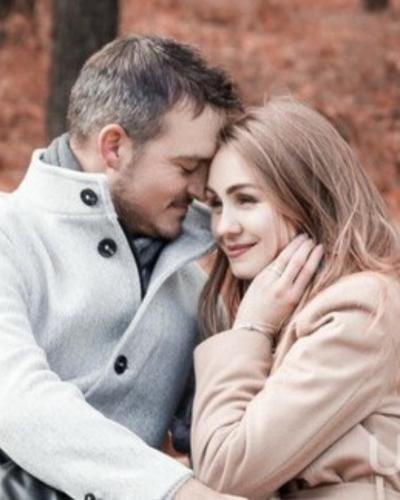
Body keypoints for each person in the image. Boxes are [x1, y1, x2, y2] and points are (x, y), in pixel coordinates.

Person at [0, 34, 250, 500]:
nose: (201, 190)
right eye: (187, 167)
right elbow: (16, 402)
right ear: (114, 147)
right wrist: (177, 493)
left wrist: (259, 323)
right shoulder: (8, 235)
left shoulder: (194, 287)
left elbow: (231, 437)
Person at [191, 96, 400, 500]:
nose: (224, 227)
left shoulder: (361, 309)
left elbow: (225, 471)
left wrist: (251, 328)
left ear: (305, 197)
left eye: (246, 199)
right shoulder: (296, 311)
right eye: (216, 204)